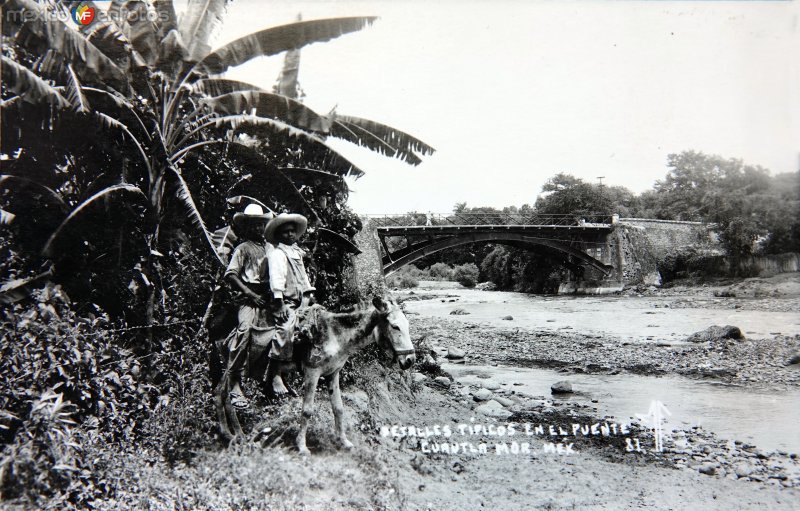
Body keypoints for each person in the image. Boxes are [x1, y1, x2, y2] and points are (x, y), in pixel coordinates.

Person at [221, 204, 274, 409]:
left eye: (261, 225)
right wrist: (250, 294)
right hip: (249, 297)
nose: (257, 229)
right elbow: (231, 275)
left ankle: (272, 380)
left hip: (269, 297)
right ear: (246, 227)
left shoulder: (269, 248)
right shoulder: (242, 248)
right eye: (253, 225)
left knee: (287, 331)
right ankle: (234, 382)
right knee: (244, 330)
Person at [265, 212, 315, 398]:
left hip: (302, 299)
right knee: (286, 328)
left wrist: (309, 295)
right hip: (286, 301)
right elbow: (277, 278)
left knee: (319, 325)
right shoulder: (278, 253)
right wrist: (280, 303)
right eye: (285, 232)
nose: (290, 235)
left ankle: (308, 369)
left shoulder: (296, 252)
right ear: (278, 235)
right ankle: (276, 373)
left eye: (292, 231)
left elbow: (303, 278)